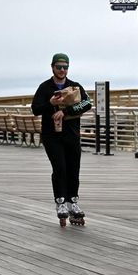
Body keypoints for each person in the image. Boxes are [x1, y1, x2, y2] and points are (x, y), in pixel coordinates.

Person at [31, 53, 93, 227]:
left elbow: (87, 103)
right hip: (52, 136)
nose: (62, 70)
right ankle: (60, 202)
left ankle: (73, 201)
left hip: (72, 135)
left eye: (65, 67)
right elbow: (35, 109)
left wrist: (65, 112)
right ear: (52, 67)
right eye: (59, 67)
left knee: (74, 169)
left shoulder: (75, 86)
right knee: (60, 168)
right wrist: (51, 103)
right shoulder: (45, 87)